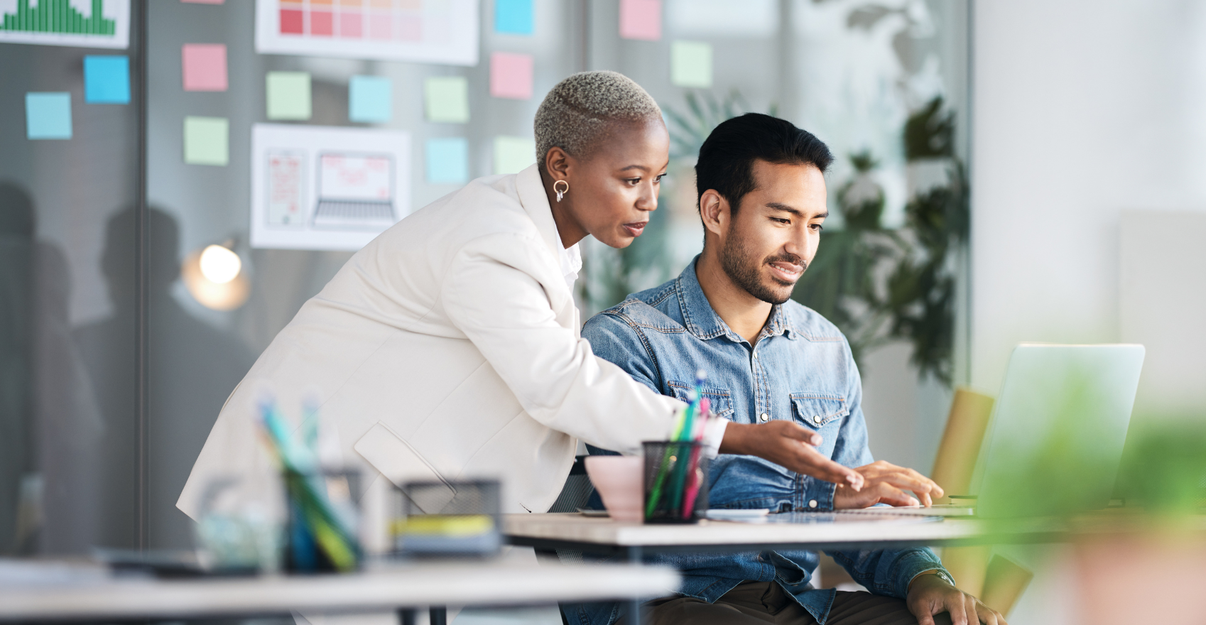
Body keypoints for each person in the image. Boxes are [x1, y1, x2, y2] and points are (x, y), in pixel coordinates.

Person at [179, 73, 864, 534]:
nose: (650, 201)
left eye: (655, 179)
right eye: (630, 179)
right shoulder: (491, 239)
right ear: (561, 166)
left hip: (358, 494)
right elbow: (559, 382)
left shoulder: (545, 244)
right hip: (292, 486)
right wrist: (735, 434)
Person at [575, 114, 1005, 625]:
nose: (801, 248)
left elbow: (859, 516)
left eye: (815, 224)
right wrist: (821, 494)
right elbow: (659, 502)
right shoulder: (627, 339)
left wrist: (925, 577)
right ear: (715, 211)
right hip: (669, 603)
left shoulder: (824, 346)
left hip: (799, 604)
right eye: (781, 220)